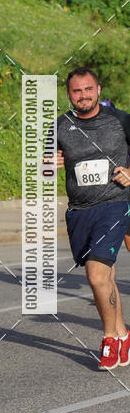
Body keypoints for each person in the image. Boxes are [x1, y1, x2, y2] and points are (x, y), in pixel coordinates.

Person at [56, 67, 130, 370]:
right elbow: (45, 164)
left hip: (115, 204)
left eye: (88, 89)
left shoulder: (121, 120)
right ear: (69, 94)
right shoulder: (60, 125)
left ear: (98, 90)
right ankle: (124, 334)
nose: (83, 95)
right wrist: (49, 163)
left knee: (97, 275)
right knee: (106, 278)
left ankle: (110, 339)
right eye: (77, 91)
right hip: (79, 210)